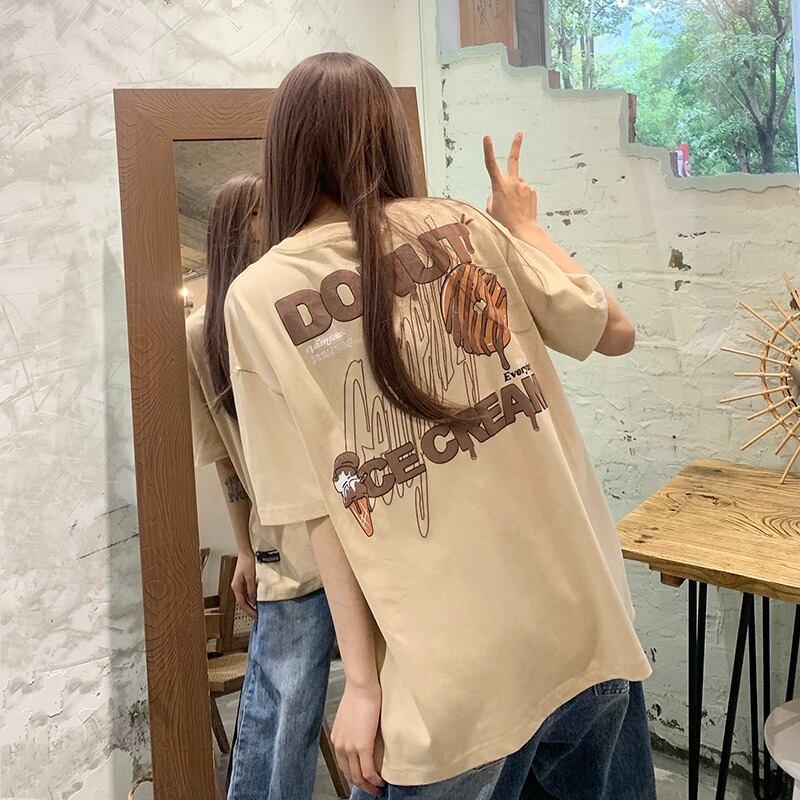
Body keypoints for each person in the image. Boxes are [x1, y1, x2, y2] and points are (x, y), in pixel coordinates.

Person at [224, 52, 656, 800]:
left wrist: (362, 685)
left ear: (284, 151)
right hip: (587, 627)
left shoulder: (259, 298)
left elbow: (322, 514)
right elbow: (615, 331)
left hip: (453, 687)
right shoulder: (466, 224)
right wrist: (526, 225)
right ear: (390, 136)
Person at [185, 172, 334, 800]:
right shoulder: (202, 333)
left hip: (353, 521)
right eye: (262, 212)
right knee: (282, 717)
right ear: (236, 227)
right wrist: (245, 550)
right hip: (286, 541)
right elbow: (226, 458)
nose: (276, 220)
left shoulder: (295, 301)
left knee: (383, 702)